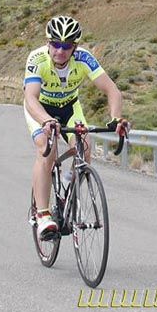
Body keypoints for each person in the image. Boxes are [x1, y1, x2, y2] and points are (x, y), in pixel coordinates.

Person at [23, 15, 128, 240]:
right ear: (48, 43)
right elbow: (31, 97)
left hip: (70, 107)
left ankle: (68, 187)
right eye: (55, 44)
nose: (60, 50)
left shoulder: (84, 59)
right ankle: (42, 215)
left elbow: (112, 90)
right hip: (41, 109)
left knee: (85, 146)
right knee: (46, 148)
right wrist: (45, 121)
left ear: (75, 47)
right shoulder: (37, 58)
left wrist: (116, 118)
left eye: (67, 46)